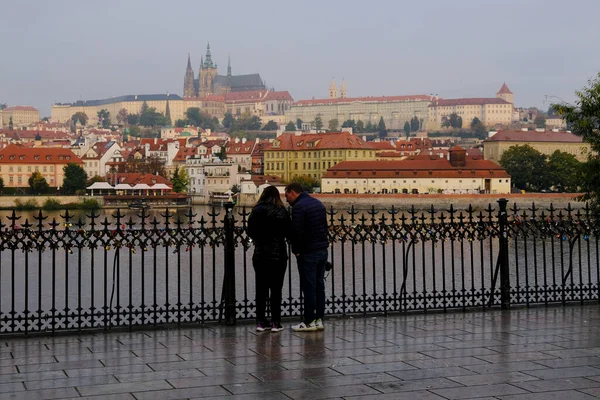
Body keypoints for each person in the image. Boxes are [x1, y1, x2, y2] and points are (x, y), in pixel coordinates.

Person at [284, 182, 329, 332]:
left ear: (292, 192)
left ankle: (308, 321)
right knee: (319, 286)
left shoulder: (299, 207)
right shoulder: (317, 203)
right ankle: (319, 320)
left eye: (286, 196)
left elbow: (297, 231)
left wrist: (296, 251)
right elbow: (324, 226)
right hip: (322, 249)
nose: (286, 200)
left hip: (308, 252)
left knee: (309, 287)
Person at [247, 185, 291, 332]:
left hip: (260, 255)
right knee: (276, 289)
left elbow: (250, 231)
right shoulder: (281, 210)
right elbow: (287, 231)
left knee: (261, 289)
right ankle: (275, 323)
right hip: (278, 254)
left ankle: (260, 322)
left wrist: (260, 240)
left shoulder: (257, 210)